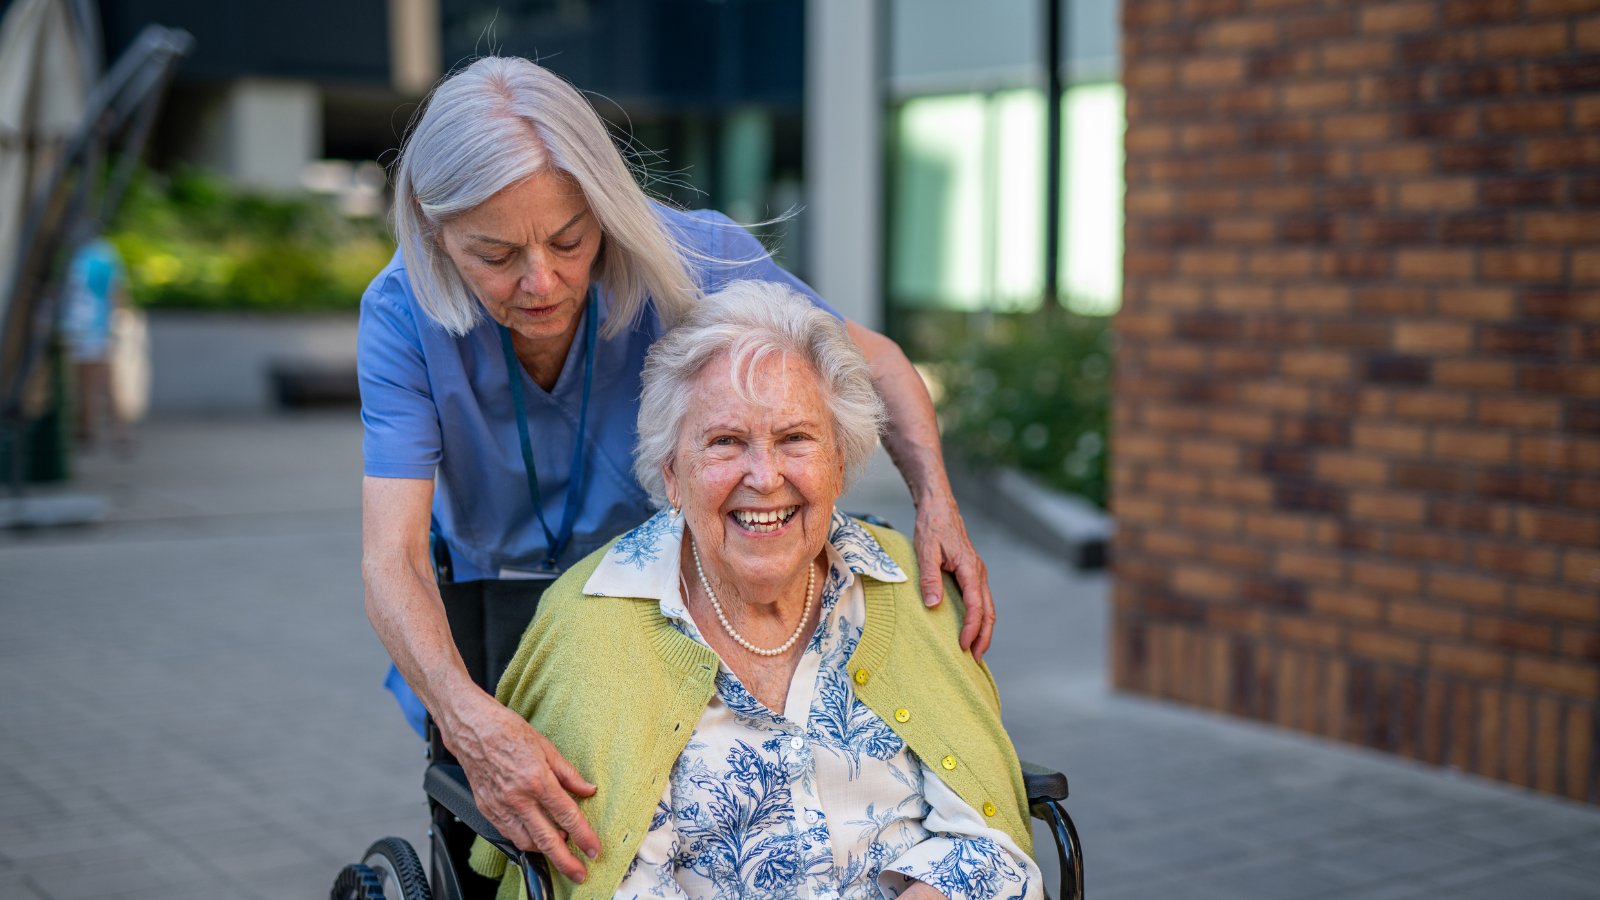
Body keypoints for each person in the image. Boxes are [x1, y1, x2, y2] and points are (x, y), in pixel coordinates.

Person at [359, 56, 996, 885]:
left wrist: (936, 504)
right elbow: (392, 556)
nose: (541, 280)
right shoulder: (403, 312)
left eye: (569, 239)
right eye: (495, 255)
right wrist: (468, 719)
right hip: (500, 606)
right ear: (434, 229)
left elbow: (875, 365)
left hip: (675, 599)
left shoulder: (687, 253)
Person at [468, 281, 1040, 899]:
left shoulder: (906, 587)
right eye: (725, 442)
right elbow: (616, 885)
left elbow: (987, 843)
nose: (765, 477)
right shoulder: (593, 626)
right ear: (672, 473)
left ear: (841, 462)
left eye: (796, 438)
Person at [61, 232, 131, 450]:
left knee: (102, 380)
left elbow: (117, 292)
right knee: (82, 381)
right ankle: (87, 430)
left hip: (95, 327)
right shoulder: (71, 251)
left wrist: (116, 324)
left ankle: (119, 432)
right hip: (76, 326)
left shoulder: (102, 253)